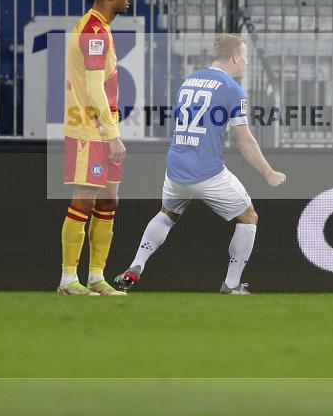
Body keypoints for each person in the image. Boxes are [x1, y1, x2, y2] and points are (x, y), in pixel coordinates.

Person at [113, 34, 286, 295]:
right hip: (207, 171)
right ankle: (232, 284)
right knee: (249, 217)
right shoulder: (232, 90)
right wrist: (268, 172)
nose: (247, 63)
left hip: (176, 167)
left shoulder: (189, 81)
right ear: (236, 57)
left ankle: (136, 265)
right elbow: (245, 142)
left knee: (167, 214)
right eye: (246, 57)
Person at [58, 0, 132, 296]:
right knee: (84, 198)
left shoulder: (97, 28)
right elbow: (93, 87)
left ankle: (97, 277)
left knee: (109, 198)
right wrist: (112, 132)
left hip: (101, 126)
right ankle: (67, 279)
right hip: (90, 129)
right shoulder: (93, 32)